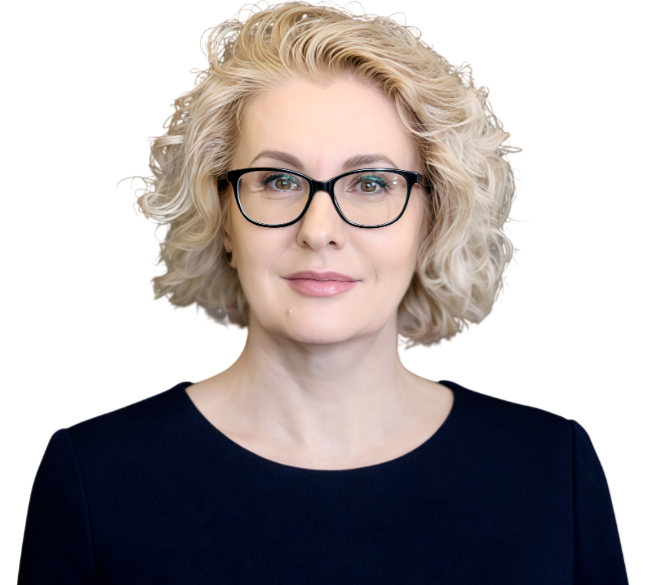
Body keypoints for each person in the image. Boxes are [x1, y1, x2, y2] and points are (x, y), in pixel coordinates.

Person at [18, 1, 629, 583]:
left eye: (371, 183)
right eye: (278, 180)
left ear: (433, 218)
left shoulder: (554, 467)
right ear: (222, 215)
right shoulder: (92, 476)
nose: (319, 231)